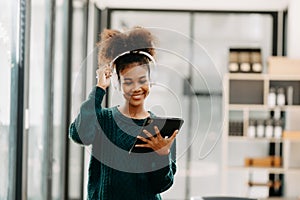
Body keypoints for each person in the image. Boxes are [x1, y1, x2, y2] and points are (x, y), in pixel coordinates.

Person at [69, 27, 178, 200]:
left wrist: (162, 155)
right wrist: (98, 90)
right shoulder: (104, 119)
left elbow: (161, 185)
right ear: (117, 83)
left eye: (142, 80)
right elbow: (79, 135)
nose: (136, 88)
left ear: (151, 82)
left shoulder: (159, 128)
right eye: (128, 82)